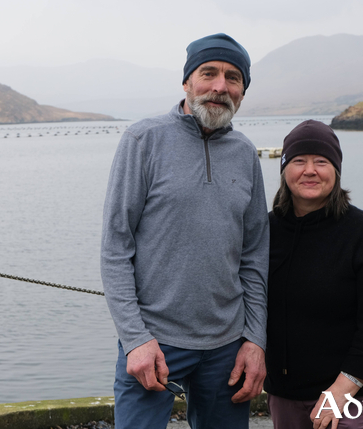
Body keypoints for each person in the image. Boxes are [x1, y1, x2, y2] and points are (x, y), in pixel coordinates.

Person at [100, 33, 270, 429]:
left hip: (228, 347)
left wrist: (255, 340)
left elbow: (255, 256)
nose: (219, 87)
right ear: (186, 82)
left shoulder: (245, 154)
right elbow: (115, 247)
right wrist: (134, 338)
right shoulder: (144, 140)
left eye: (233, 78)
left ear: (243, 91)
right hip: (153, 342)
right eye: (208, 73)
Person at [264, 120, 363, 429]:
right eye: (299, 161)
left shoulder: (362, 231)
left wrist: (342, 390)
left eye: (321, 162)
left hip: (350, 394)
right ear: (285, 169)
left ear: (336, 171)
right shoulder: (265, 230)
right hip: (284, 394)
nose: (309, 170)